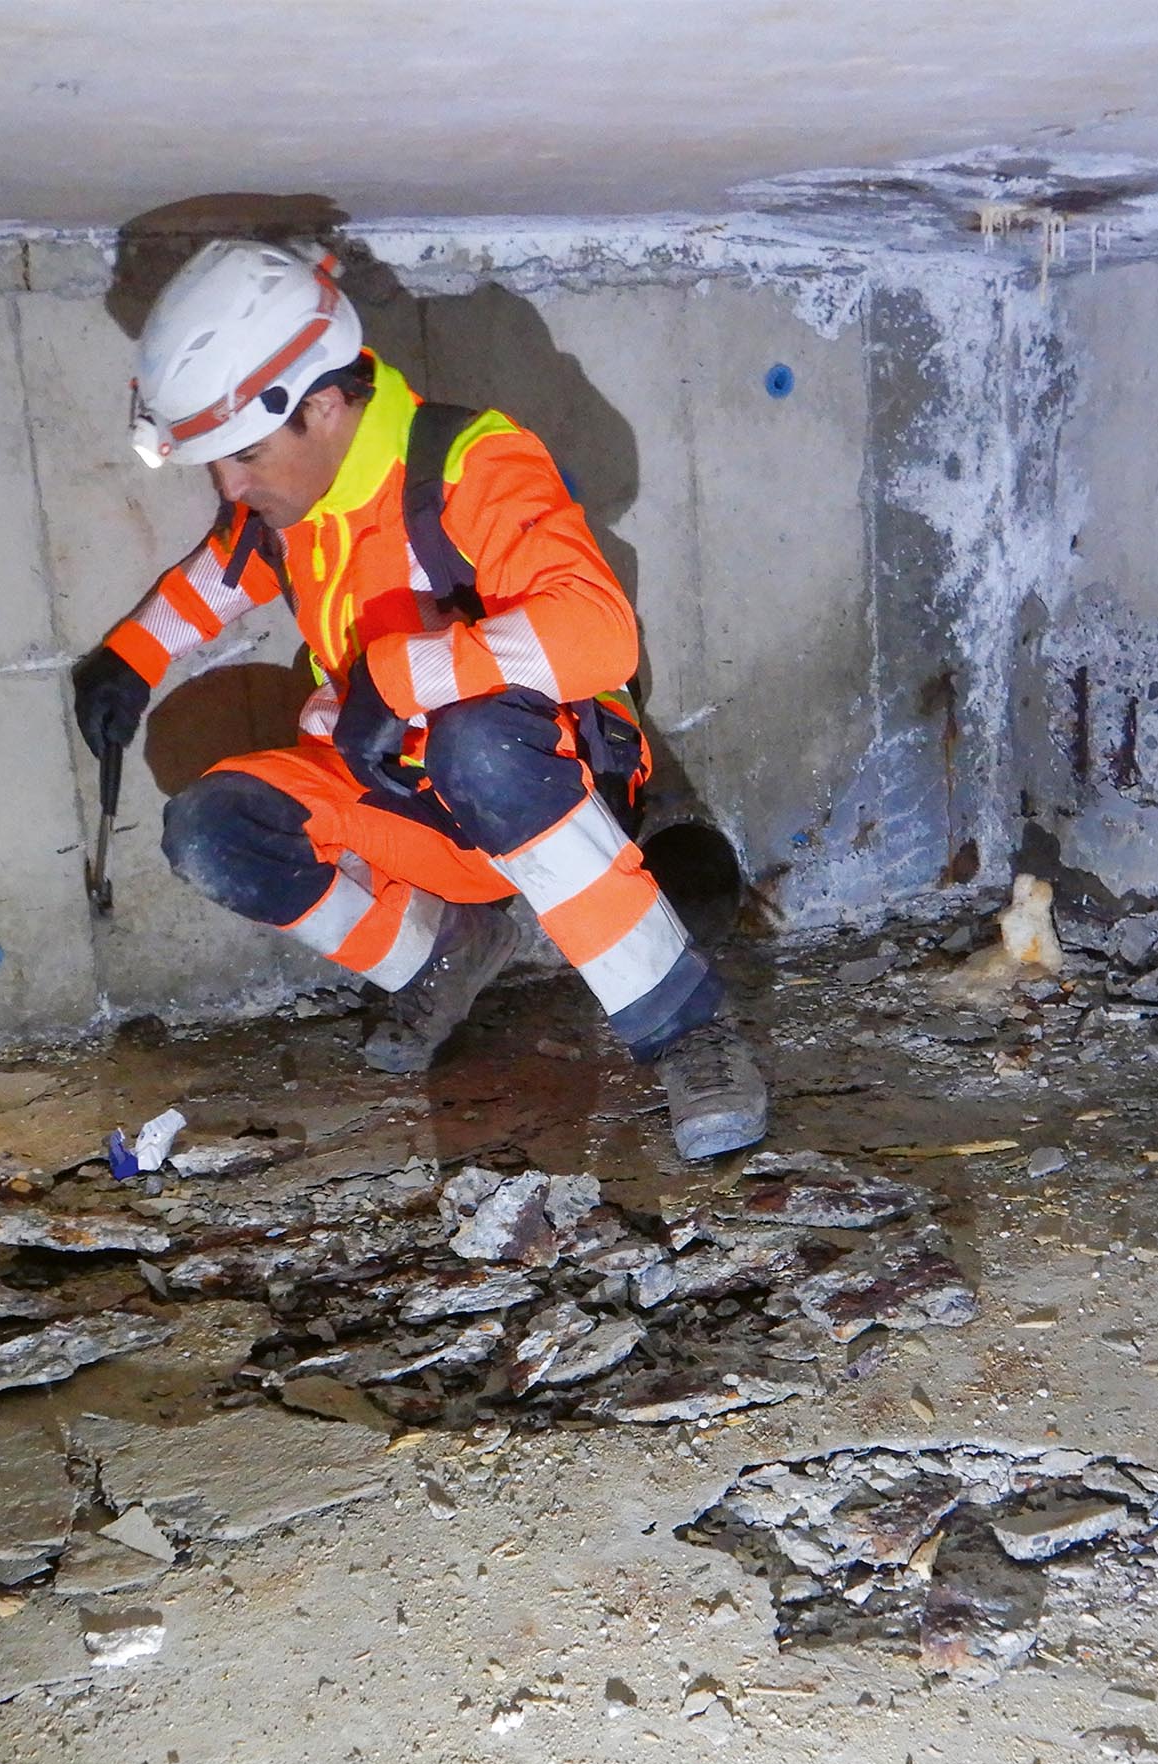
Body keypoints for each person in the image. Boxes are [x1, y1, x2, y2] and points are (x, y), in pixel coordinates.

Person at [70, 239, 767, 1161]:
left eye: (241, 457)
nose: (229, 487)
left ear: (322, 406)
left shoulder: (469, 465)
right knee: (210, 831)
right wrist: (130, 655)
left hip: (546, 787)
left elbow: (601, 634)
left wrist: (404, 676)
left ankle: (691, 1034)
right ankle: (450, 945)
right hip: (407, 803)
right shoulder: (290, 505)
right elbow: (223, 569)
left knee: (474, 742)